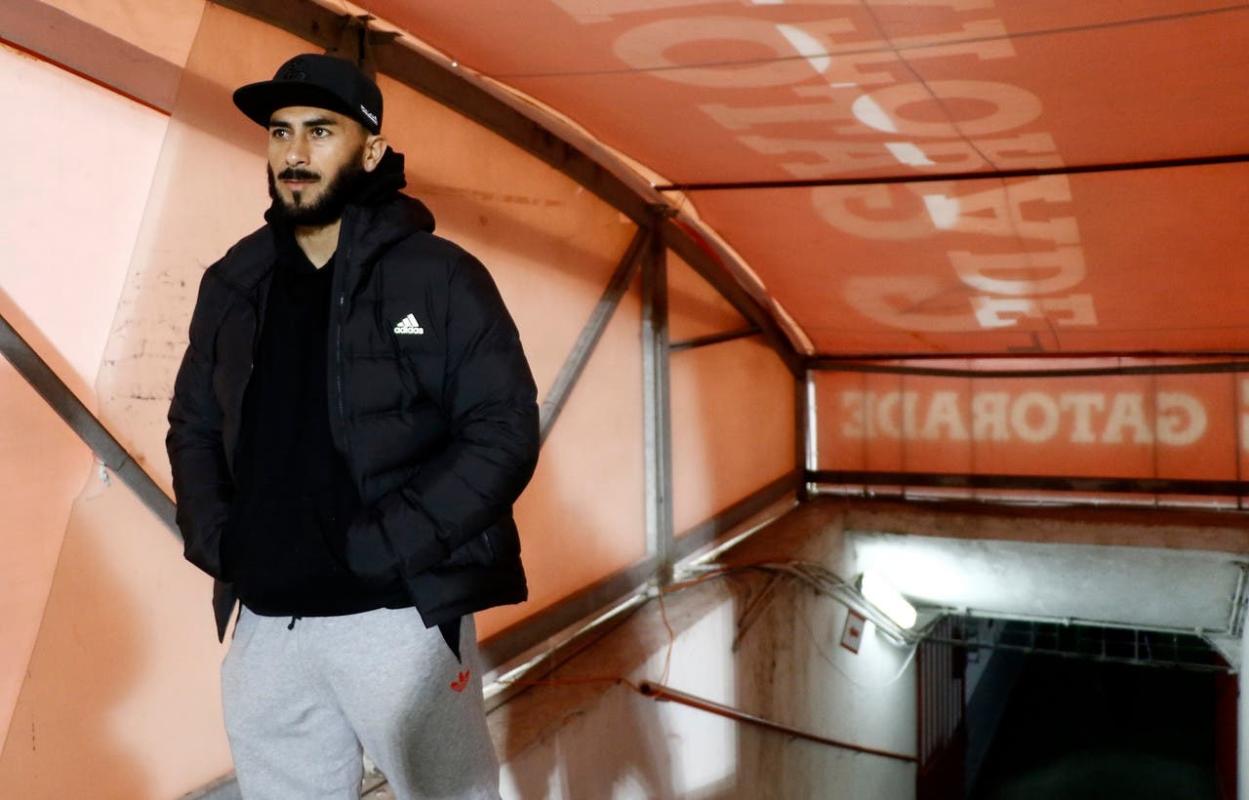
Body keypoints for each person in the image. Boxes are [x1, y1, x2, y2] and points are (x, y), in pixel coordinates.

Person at [166, 53, 539, 800]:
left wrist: (383, 549)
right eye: (280, 132)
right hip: (269, 626)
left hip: (396, 620)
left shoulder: (437, 276)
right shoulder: (234, 281)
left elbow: (501, 430)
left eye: (320, 131)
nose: (295, 153)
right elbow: (193, 426)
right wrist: (222, 541)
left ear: (371, 151)